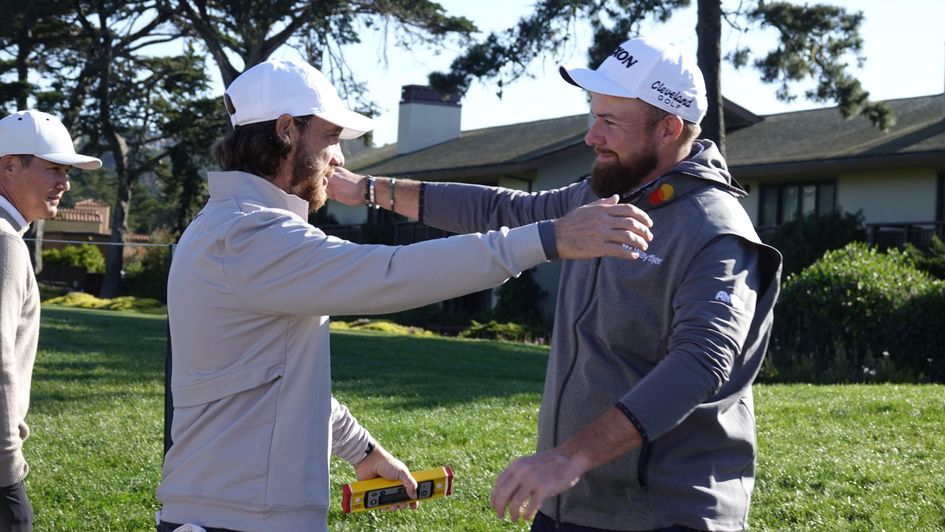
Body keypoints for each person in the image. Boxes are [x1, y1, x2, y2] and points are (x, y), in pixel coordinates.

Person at [155, 58, 655, 532]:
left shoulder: (240, 228)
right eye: (330, 136)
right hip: (232, 518)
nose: (339, 156)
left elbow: (271, 380)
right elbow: (392, 272)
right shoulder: (246, 235)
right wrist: (549, 239)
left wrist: (362, 450)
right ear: (286, 130)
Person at [329, 37, 783, 531]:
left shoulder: (716, 232)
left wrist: (570, 457)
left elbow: (702, 362)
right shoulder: (604, 197)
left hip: (667, 517)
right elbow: (503, 212)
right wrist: (366, 189)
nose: (592, 136)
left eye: (610, 122)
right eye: (594, 116)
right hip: (572, 506)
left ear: (669, 128)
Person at [0, 110, 102, 531]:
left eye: (68, 171)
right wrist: (8, 465)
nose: (65, 183)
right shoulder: (6, 246)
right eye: (53, 169)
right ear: (8, 166)